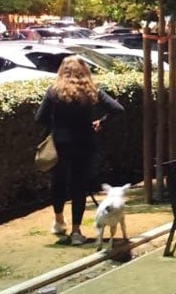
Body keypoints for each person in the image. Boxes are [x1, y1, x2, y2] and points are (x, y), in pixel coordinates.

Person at [37, 56, 124, 245]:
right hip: (85, 142)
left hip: (60, 143)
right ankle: (76, 231)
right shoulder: (92, 91)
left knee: (58, 181)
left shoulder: (53, 92)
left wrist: (56, 125)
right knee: (79, 185)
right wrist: (101, 122)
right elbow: (117, 109)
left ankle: (59, 221)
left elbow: (40, 118)